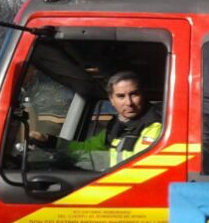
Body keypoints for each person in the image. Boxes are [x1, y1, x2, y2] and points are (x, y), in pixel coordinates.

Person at [30, 71, 162, 167]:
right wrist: (50, 141)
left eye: (134, 94)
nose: (128, 102)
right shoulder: (117, 125)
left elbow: (139, 162)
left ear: (143, 95)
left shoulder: (155, 125)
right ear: (111, 100)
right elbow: (88, 148)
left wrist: (84, 160)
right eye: (121, 96)